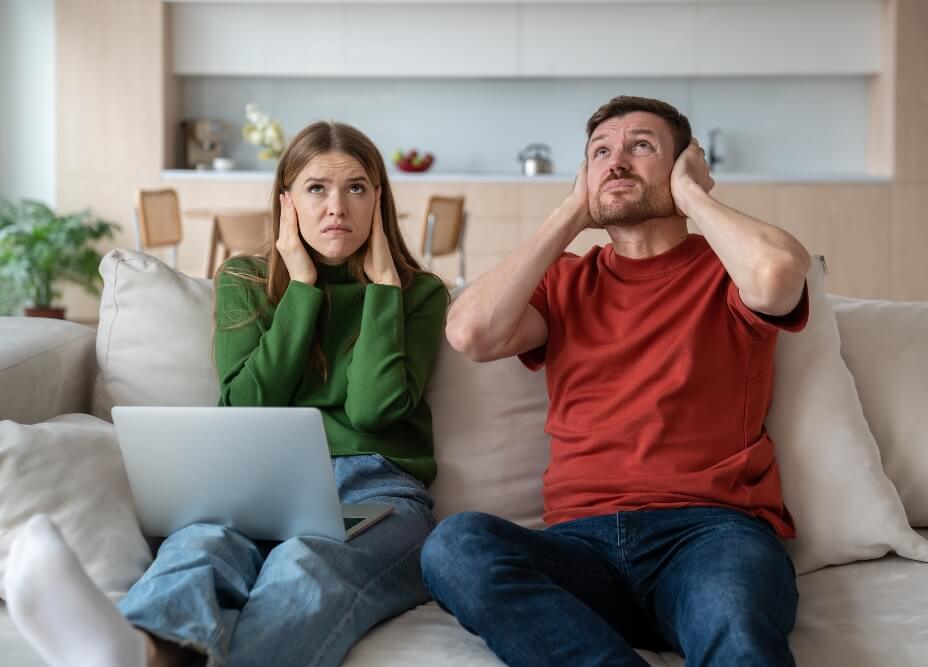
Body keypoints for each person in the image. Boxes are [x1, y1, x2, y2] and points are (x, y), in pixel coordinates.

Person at [5, 121, 448, 667]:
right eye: (316, 188)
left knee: (307, 564)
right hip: (258, 479)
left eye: (356, 188)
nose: (337, 207)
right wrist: (302, 290)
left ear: (378, 200)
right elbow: (245, 408)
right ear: (286, 202)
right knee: (200, 547)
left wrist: (382, 288)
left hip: (378, 488)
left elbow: (371, 410)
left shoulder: (418, 292)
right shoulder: (245, 279)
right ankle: (140, 649)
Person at [420, 96, 811, 667]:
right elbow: (470, 333)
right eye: (600, 152)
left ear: (684, 166)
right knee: (454, 547)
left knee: (736, 628)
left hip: (709, 536)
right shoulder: (566, 281)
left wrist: (695, 198)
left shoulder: (725, 269)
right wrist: (572, 211)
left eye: (641, 147)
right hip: (582, 546)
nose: (616, 162)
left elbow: (779, 277)